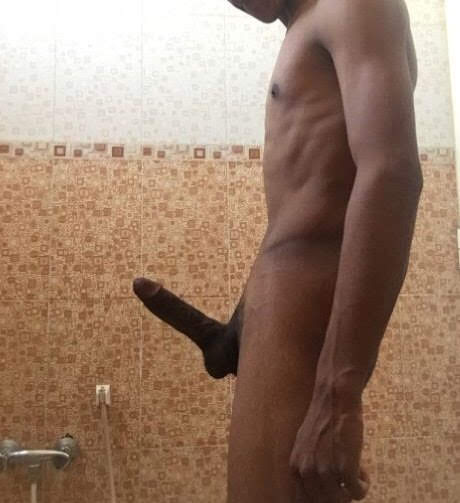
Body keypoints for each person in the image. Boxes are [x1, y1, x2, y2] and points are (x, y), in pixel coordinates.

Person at [133, 0, 423, 500]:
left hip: (303, 315)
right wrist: (241, 325)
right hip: (278, 316)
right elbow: (304, 214)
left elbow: (392, 174)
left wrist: (338, 394)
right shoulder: (307, 28)